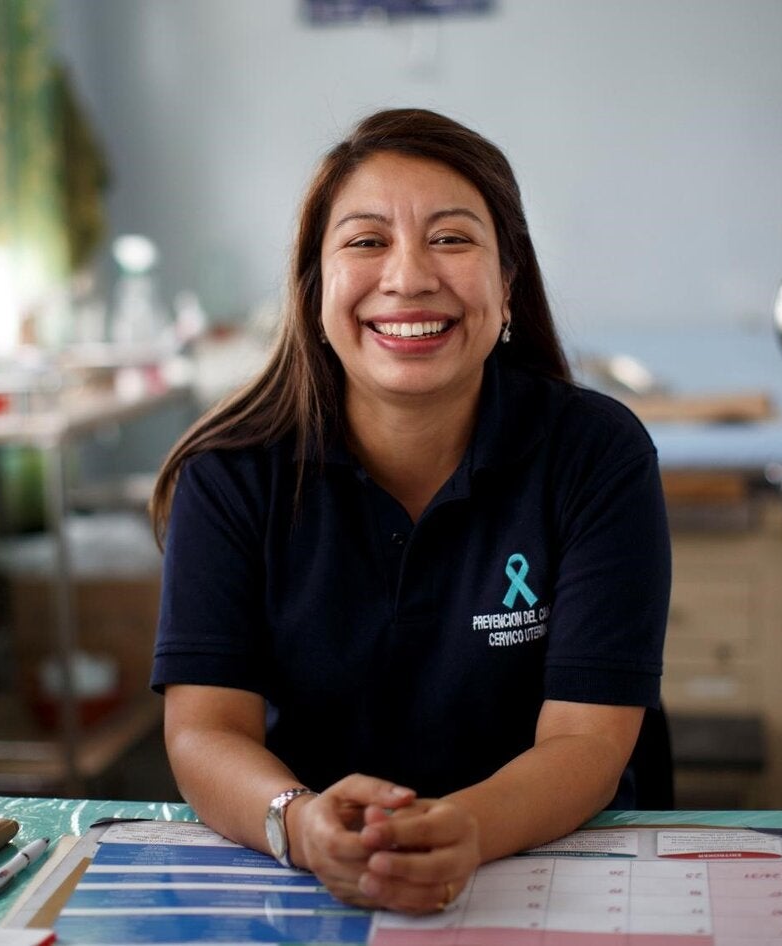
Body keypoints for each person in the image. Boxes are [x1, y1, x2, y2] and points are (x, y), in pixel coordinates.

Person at [148, 107, 670, 916]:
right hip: (312, 882)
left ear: (507, 286)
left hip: (559, 869)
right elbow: (204, 731)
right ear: (314, 289)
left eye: (453, 239)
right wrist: (298, 822)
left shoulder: (596, 455)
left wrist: (462, 827)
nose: (409, 277)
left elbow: (586, 741)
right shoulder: (230, 474)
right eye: (366, 241)